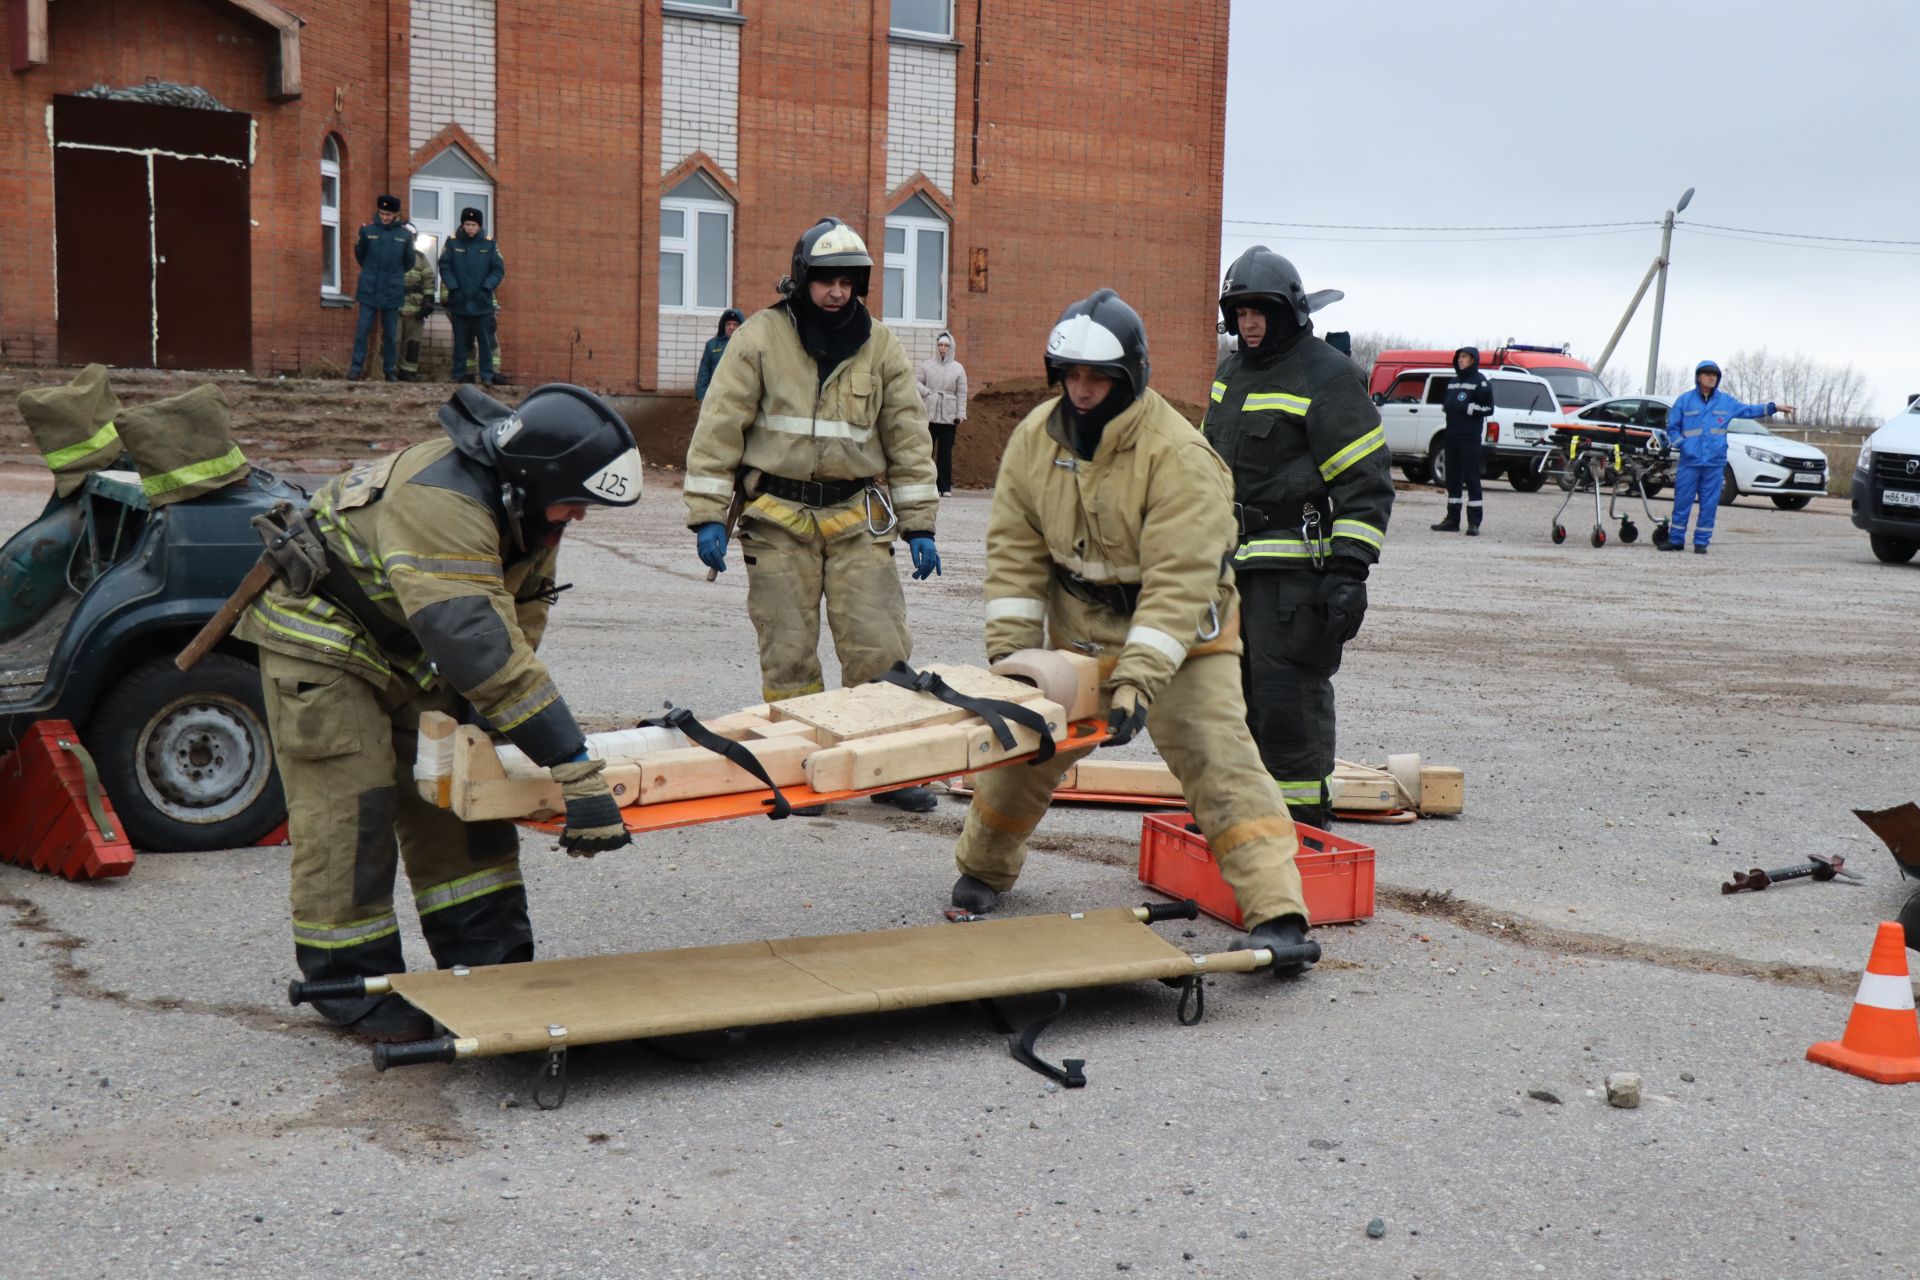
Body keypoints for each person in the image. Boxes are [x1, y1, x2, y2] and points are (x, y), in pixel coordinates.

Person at [234, 384, 643, 1041]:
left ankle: (487, 960)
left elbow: (520, 616)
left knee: (459, 798)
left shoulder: (532, 507)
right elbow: (475, 643)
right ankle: (351, 985)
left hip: (413, 643)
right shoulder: (443, 502)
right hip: (325, 644)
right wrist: (568, 759)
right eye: (576, 502)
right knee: (354, 811)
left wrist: (500, 725)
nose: (581, 517)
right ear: (538, 478)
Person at [949, 288, 1322, 973]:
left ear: (1131, 376)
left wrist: (1138, 682)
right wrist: (1012, 659)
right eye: (1073, 377)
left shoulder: (1179, 455)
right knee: (1024, 751)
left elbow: (1180, 582)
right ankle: (982, 872)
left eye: (1099, 379)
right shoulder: (1036, 437)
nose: (1083, 392)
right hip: (1079, 623)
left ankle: (1280, 916)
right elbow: (1014, 551)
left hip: (1185, 639)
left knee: (1219, 759)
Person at [683, 216, 942, 814]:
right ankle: (799, 768)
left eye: (848, 281)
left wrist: (920, 523)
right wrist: (708, 515)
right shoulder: (759, 338)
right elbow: (719, 427)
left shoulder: (880, 346)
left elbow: (907, 437)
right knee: (789, 652)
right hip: (777, 520)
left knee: (878, 645)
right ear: (803, 280)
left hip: (855, 518)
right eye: (825, 279)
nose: (836, 292)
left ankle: (885, 767)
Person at [1205, 247, 1394, 830]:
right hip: (1230, 573)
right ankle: (1246, 825)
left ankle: (1303, 827)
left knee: (1288, 704)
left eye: (1260, 310)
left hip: (1294, 579)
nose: (1250, 323)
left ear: (1289, 309)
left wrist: (1348, 573)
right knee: (1229, 705)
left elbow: (1366, 485)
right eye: (1239, 312)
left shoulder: (1329, 376)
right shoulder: (1232, 372)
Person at [1661, 359, 1794, 555]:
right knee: (1682, 501)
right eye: (1708, 374)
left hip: (1714, 463)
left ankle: (1701, 542)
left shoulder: (1726, 402)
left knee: (1709, 503)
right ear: (1699, 377)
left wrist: (1774, 407)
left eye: (1715, 375)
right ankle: (1676, 540)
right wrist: (1684, 446)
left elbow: (1749, 410)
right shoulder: (1684, 400)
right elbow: (1672, 428)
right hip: (1690, 462)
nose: (1712, 377)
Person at [439, 207, 506, 386]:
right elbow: (444, 266)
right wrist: (454, 288)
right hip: (460, 301)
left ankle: (486, 375)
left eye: (473, 225)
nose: (470, 228)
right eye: (467, 224)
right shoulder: (452, 244)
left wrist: (487, 287)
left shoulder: (489, 244)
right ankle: (459, 373)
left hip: (481, 302)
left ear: (479, 226)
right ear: (462, 225)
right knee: (461, 340)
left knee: (485, 341)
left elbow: (498, 270)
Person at [349, 195, 413, 382]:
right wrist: (371, 272)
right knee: (362, 330)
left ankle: (390, 370)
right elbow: (360, 256)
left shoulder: (405, 235)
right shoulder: (367, 231)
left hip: (392, 288)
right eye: (382, 213)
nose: (385, 217)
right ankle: (356, 368)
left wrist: (393, 274)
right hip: (370, 286)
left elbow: (408, 262)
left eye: (389, 214)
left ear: (396, 215)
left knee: (391, 333)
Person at [1431, 346, 1494, 534]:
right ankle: (1452, 519)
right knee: (1452, 478)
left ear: (1473, 360)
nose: (1460, 360)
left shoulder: (1480, 382)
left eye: (1464, 357)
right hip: (1451, 435)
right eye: (1459, 357)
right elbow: (1448, 404)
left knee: (1472, 478)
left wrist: (1469, 408)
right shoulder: (1453, 382)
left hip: (1469, 437)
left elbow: (1488, 408)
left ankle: (1474, 522)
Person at [915, 332, 968, 495]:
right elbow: (915, 382)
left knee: (945, 453)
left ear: (951, 347)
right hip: (929, 415)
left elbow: (962, 393)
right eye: (940, 345)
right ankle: (927, 486)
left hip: (949, 416)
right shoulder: (927, 365)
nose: (943, 348)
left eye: (946, 345)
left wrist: (960, 414)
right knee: (926, 451)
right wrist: (928, 392)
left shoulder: (958, 368)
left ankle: (944, 487)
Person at [396, 245, 435, 383]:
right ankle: (391, 370)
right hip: (396, 306)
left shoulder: (420, 257)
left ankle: (408, 371)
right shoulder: (391, 253)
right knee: (394, 340)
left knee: (414, 342)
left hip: (415, 308)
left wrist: (429, 300)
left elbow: (429, 279)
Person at [694, 308, 745, 400]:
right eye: (728, 324)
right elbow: (703, 373)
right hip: (717, 396)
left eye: (735, 325)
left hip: (739, 397)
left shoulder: (748, 345)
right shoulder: (711, 345)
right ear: (723, 326)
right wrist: (701, 397)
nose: (731, 327)